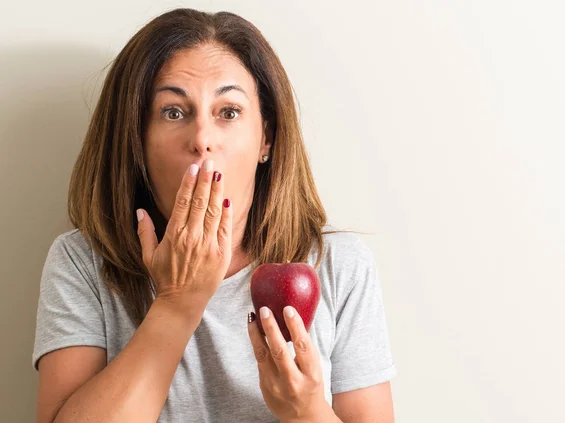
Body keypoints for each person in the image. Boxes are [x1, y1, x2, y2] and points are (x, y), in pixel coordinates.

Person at [33, 8, 396, 423]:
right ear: (137, 140)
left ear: (267, 137)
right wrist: (175, 305)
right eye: (173, 112)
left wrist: (307, 411)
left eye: (228, 112)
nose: (202, 139)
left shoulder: (339, 265)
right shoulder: (82, 263)